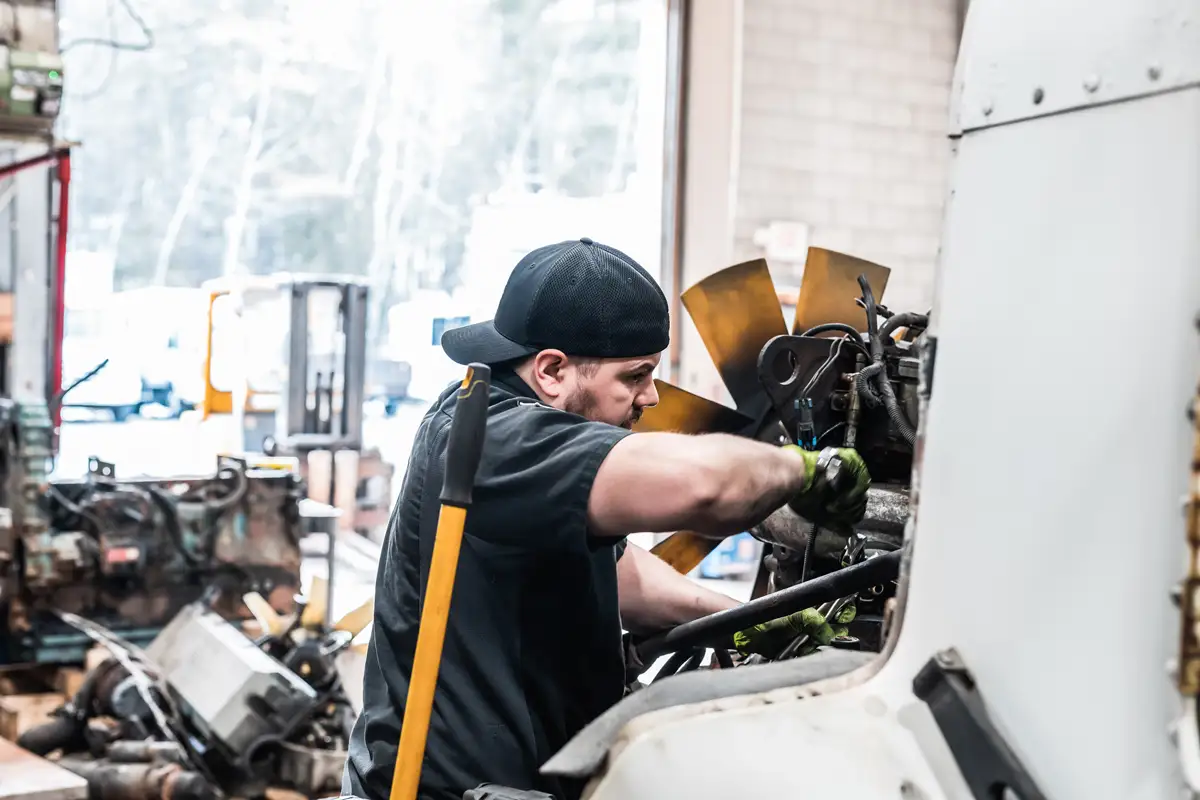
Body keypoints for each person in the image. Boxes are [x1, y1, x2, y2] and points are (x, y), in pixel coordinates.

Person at [341, 238, 871, 800]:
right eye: (634, 377)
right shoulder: (497, 439)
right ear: (551, 370)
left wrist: (741, 617)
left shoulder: (499, 424)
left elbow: (612, 571)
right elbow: (705, 487)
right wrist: (802, 470)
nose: (649, 398)